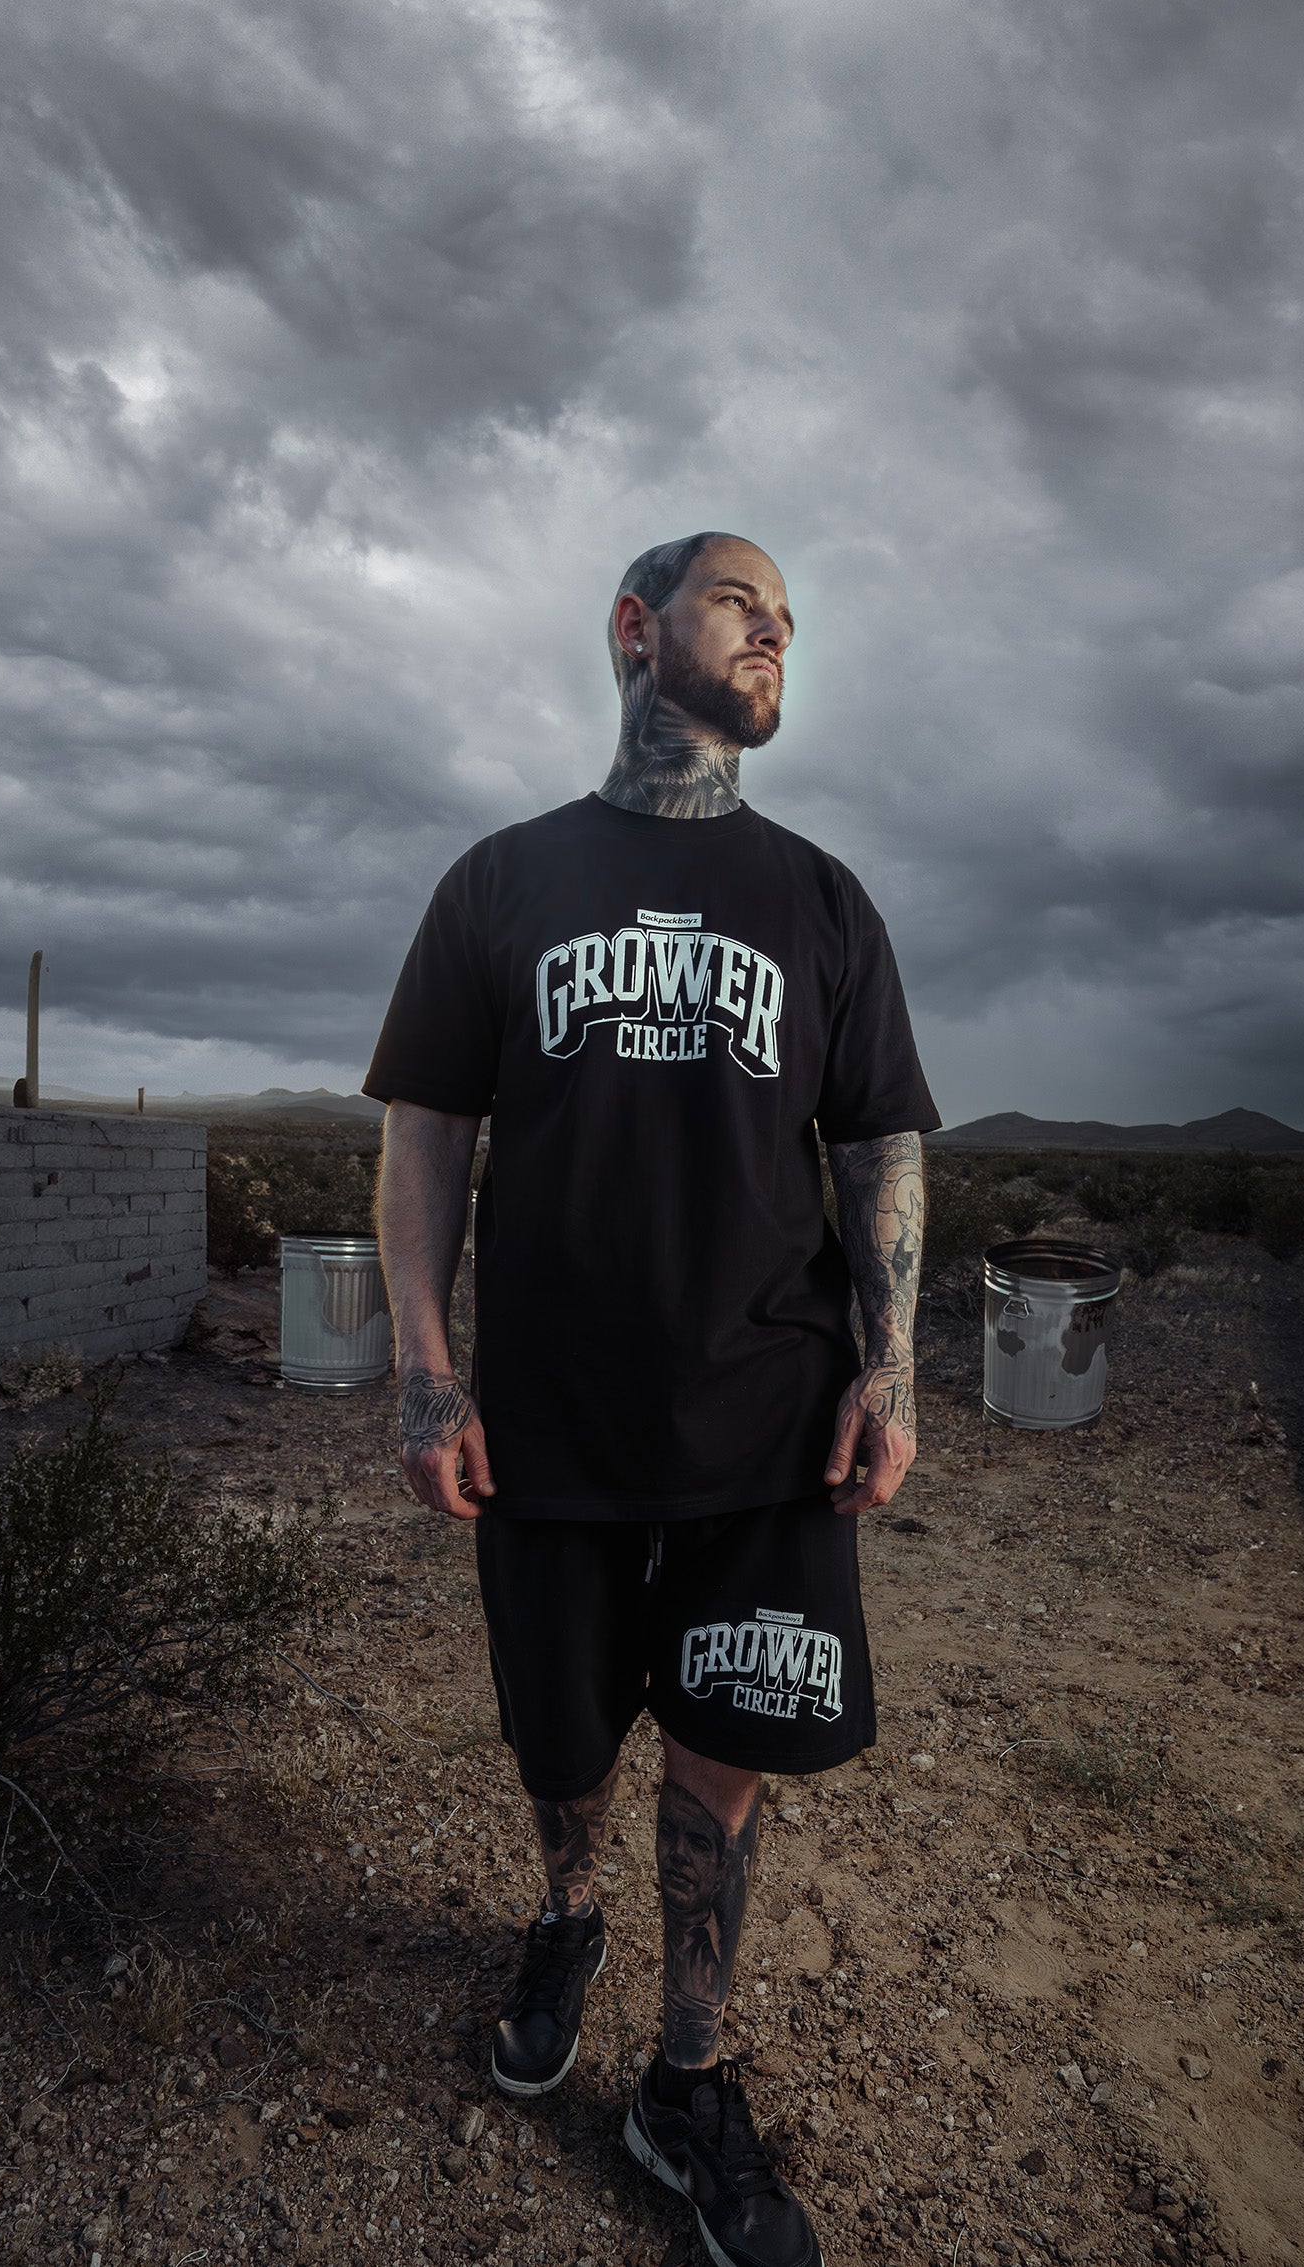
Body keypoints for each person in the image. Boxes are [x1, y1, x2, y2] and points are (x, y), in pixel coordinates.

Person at [364, 533, 938, 2267]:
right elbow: (425, 1134)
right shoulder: (500, 882)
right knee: (561, 1740)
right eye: (742, 604)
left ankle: (685, 2078)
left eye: (791, 623)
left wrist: (894, 1363)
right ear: (635, 629)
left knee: (725, 1735)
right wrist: (425, 1372)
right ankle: (569, 1912)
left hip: (767, 1412)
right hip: (548, 1413)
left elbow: (881, 1143)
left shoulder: (823, 901)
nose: (777, 637)